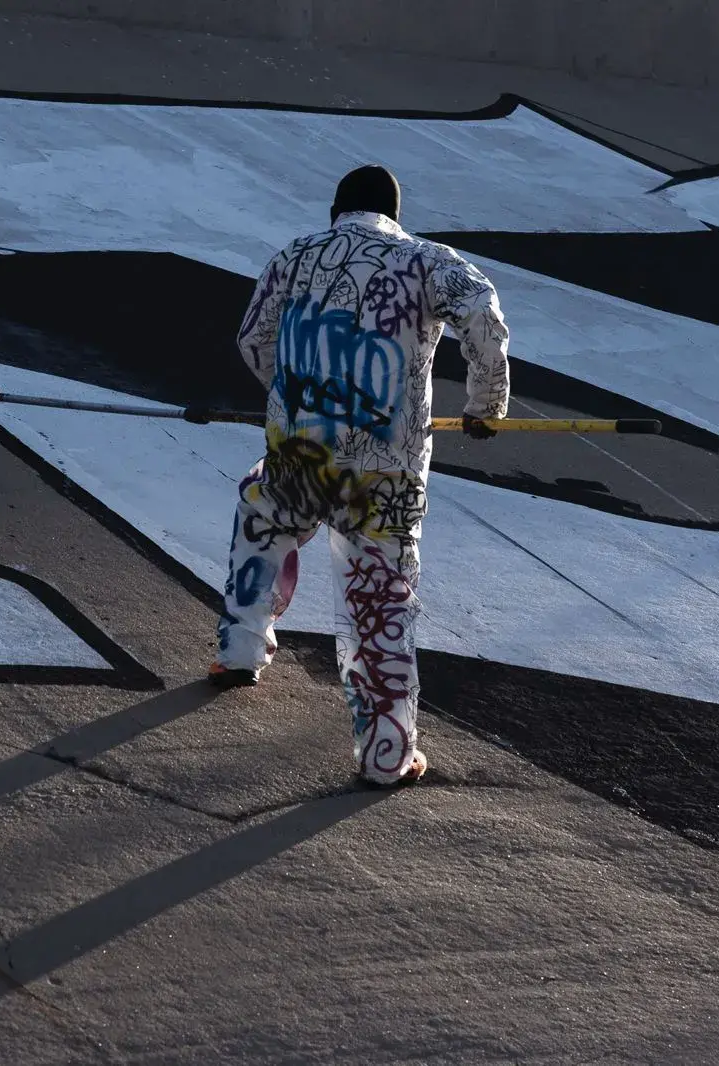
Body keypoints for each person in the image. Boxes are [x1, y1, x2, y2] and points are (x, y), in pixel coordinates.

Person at [209, 163, 513, 788]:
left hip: (300, 450)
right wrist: (486, 405)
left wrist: (289, 397)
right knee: (378, 595)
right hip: (385, 469)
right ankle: (385, 755)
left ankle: (239, 651)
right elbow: (483, 313)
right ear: (395, 216)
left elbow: (253, 337)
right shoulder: (427, 261)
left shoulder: (294, 256)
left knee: (263, 516)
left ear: (335, 213)